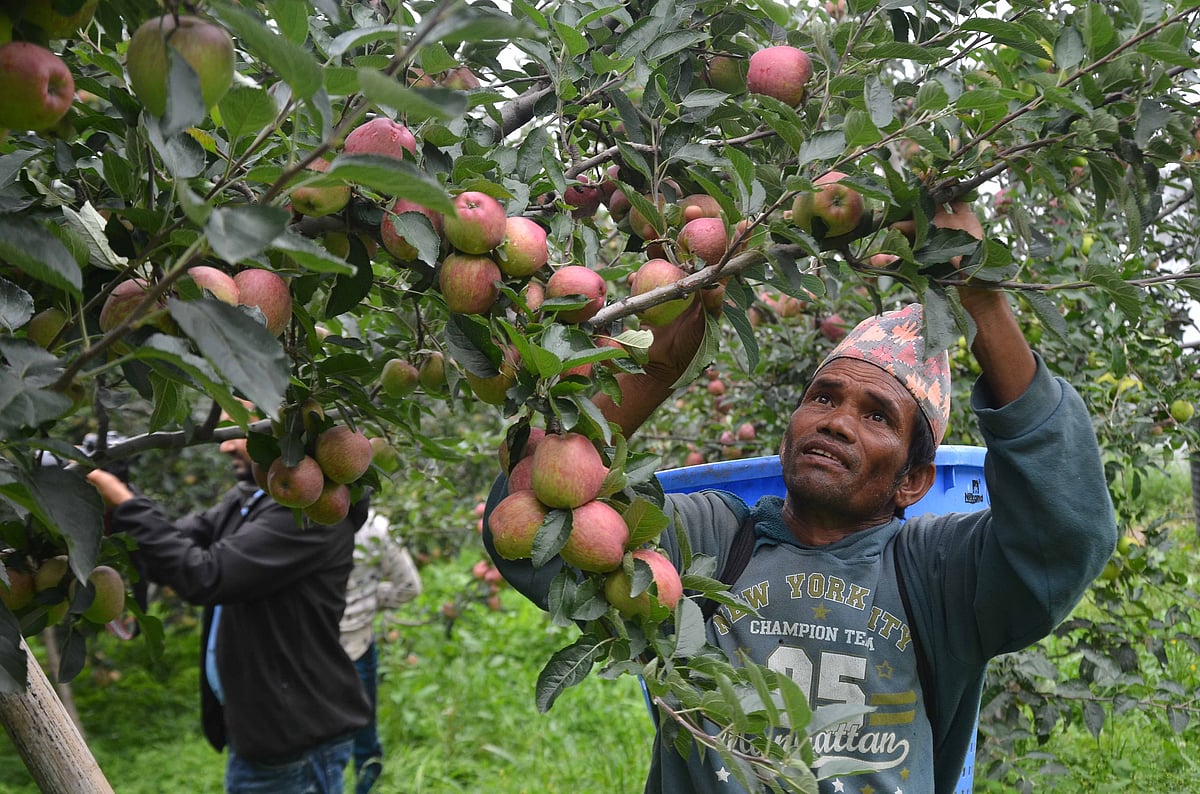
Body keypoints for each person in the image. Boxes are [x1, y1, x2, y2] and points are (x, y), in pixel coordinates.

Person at [483, 202, 1118, 793]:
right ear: (789, 430)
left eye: (877, 416)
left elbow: (1066, 531)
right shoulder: (708, 541)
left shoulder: (937, 575)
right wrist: (654, 372)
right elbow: (530, 530)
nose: (836, 422)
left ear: (914, 481)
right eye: (823, 397)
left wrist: (981, 301)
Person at [87, 427, 373, 794]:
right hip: (265, 731)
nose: (225, 445)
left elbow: (204, 575)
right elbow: (173, 547)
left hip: (294, 743)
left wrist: (125, 501)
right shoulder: (253, 503)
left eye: (239, 427)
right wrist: (120, 497)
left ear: (283, 426)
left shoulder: (307, 518)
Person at [339, 509, 423, 794]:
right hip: (356, 644)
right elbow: (409, 587)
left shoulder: (294, 519)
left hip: (306, 646)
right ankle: (366, 783)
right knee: (363, 725)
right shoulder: (375, 527)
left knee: (316, 735)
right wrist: (368, 599)